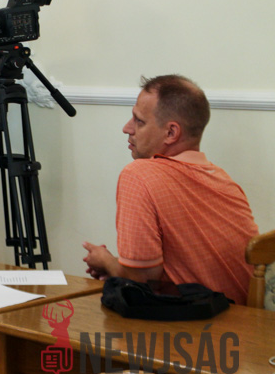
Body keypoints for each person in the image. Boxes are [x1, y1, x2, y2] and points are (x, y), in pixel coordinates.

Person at [83, 75, 258, 304]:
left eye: (139, 121)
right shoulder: (224, 181)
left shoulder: (139, 174)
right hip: (247, 317)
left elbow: (141, 280)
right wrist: (120, 270)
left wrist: (105, 261)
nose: (127, 128)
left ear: (171, 133)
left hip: (201, 322)